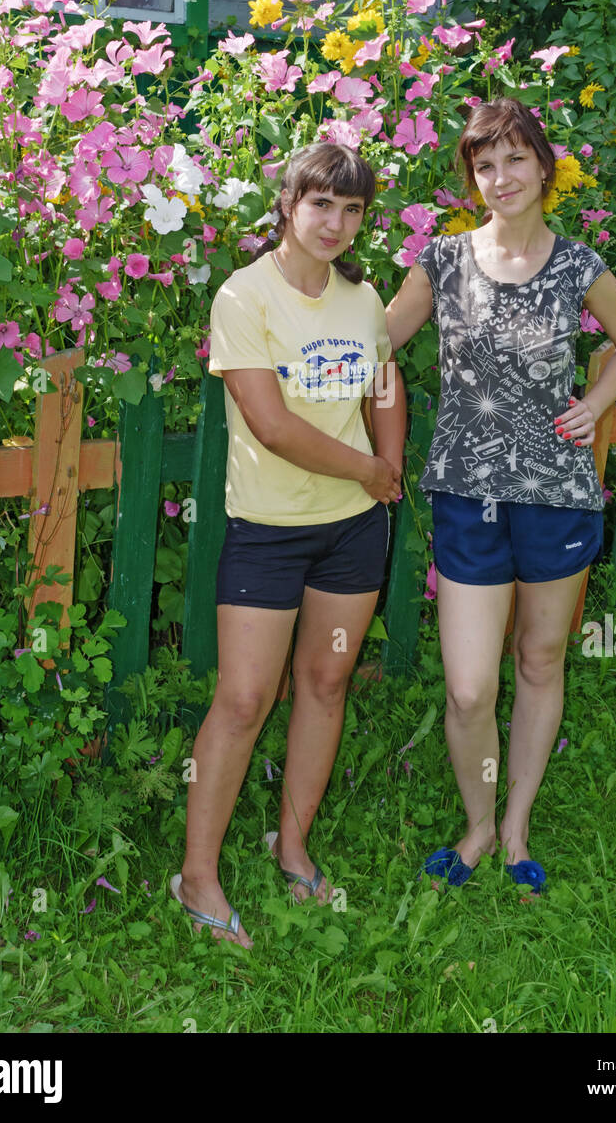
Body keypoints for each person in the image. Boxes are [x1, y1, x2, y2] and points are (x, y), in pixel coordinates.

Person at [384, 97, 616, 895]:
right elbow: (379, 339)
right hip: (467, 497)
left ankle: (514, 828)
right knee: (468, 687)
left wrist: (597, 402)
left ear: (543, 167)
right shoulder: (440, 259)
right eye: (483, 164)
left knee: (538, 660)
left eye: (513, 159)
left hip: (558, 495)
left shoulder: (577, 266)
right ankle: (473, 824)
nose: (499, 177)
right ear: (472, 178)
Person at [172, 142, 407, 946]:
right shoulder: (245, 297)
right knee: (242, 699)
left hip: (351, 529)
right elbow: (270, 427)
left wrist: (390, 469)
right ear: (287, 204)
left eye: (352, 211)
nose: (335, 223)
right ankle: (196, 874)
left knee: (325, 681)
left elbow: (384, 383)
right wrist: (372, 471)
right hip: (269, 530)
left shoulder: (362, 297)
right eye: (321, 205)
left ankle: (292, 844)